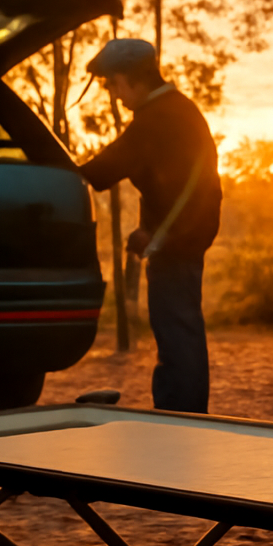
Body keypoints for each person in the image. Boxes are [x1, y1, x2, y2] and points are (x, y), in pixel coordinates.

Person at [79, 38, 223, 414]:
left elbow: (104, 170)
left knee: (177, 336)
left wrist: (158, 235)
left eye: (112, 84)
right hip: (182, 239)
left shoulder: (156, 118)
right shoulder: (181, 111)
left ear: (130, 78)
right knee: (181, 332)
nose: (113, 94)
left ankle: (181, 420)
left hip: (175, 244)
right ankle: (184, 416)